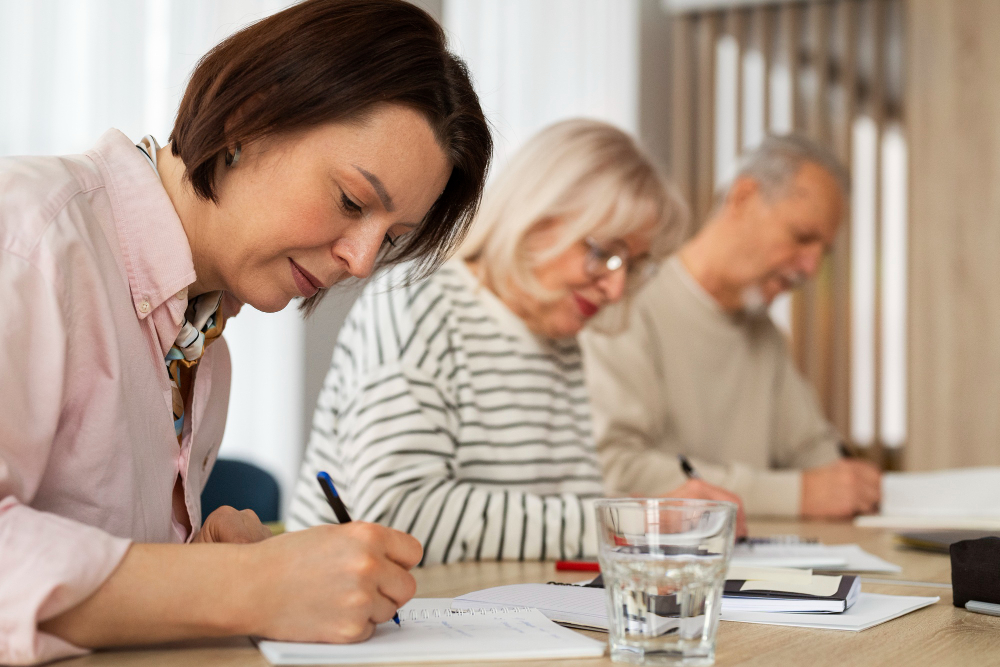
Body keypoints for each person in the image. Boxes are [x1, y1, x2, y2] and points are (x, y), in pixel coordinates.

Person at [0, 1, 492, 663]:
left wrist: (197, 568)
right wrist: (239, 586)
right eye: (351, 200)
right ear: (247, 118)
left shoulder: (206, 347)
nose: (363, 260)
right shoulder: (30, 237)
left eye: (392, 239)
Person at [289, 119, 746, 566]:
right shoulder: (420, 302)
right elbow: (401, 517)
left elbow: (562, 517)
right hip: (349, 616)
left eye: (635, 265)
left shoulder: (557, 336)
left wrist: (632, 521)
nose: (616, 288)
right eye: (606, 254)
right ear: (535, 218)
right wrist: (626, 520)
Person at [582, 135, 881, 520]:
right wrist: (795, 496)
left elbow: (817, 457)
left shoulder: (765, 336)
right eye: (802, 238)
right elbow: (617, 471)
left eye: (822, 251)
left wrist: (850, 482)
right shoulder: (627, 304)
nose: (811, 268)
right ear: (743, 198)